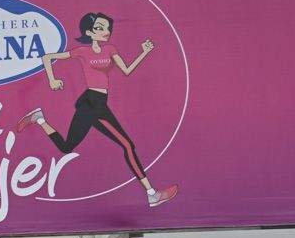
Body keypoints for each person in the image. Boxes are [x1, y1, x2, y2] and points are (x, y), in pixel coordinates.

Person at [17, 12, 179, 209]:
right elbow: (48, 57)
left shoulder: (110, 49)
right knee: (127, 145)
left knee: (67, 147)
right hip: (92, 103)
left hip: (98, 103)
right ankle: (152, 194)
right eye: (100, 28)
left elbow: (127, 70)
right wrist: (52, 79)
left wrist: (144, 52)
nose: (106, 32)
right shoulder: (82, 52)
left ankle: (40, 118)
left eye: (107, 29)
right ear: (89, 32)